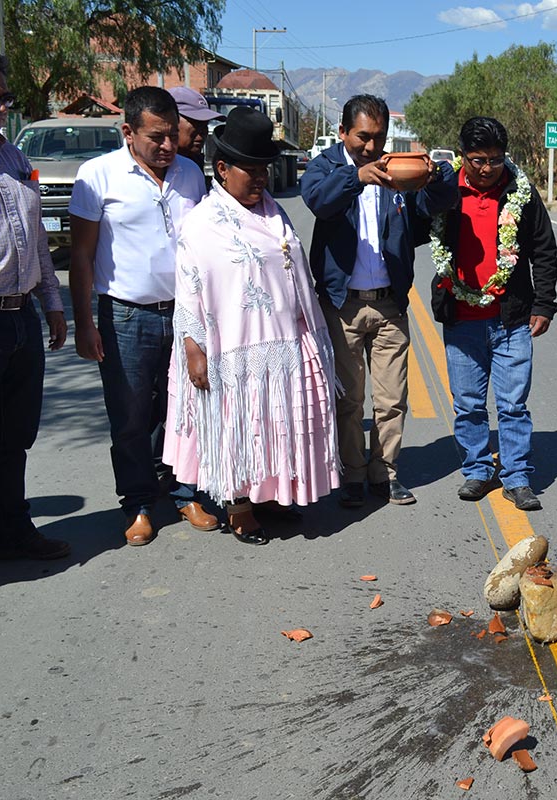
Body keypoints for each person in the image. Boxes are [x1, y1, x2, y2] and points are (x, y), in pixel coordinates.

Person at [162, 107, 340, 544]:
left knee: (275, 421)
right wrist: (193, 347)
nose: (261, 177)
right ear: (222, 169)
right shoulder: (202, 224)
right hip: (232, 347)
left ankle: (270, 496)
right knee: (238, 422)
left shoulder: (273, 211)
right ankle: (239, 507)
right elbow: (188, 289)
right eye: (252, 169)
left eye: (266, 168)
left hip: (285, 341)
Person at [69, 86, 219, 547]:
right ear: (128, 132)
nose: (169, 146)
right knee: (131, 416)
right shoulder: (97, 176)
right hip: (125, 317)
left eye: (173, 135)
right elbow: (81, 255)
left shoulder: (192, 174)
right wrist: (84, 323)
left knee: (185, 410)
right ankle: (136, 504)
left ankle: (185, 492)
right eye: (157, 137)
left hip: (186, 315)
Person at [301, 94, 456, 508]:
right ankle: (352, 476)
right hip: (343, 306)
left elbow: (431, 206)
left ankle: (385, 474)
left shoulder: (395, 174)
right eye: (362, 137)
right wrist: (358, 177)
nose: (371, 147)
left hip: (389, 306)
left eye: (379, 138)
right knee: (349, 400)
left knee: (391, 400)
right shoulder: (327, 167)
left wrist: (438, 177)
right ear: (343, 133)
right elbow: (318, 200)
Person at [0, 44, 70, 604]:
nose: (2, 107)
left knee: (13, 440)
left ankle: (11, 533)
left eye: (7, 98)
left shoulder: (10, 155)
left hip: (21, 316)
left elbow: (33, 239)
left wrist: (53, 302)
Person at [429, 117, 557, 510]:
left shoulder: (521, 192)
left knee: (513, 404)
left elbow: (543, 249)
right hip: (461, 318)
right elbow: (417, 221)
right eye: (478, 160)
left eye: (495, 159)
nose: (487, 168)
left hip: (511, 319)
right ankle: (478, 470)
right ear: (462, 155)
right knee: (468, 403)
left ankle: (517, 476)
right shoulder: (446, 190)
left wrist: (544, 303)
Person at [166, 86, 223, 171]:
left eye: (206, 124)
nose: (203, 131)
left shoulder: (194, 166)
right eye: (196, 122)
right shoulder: (150, 168)